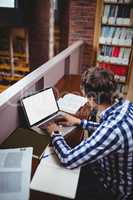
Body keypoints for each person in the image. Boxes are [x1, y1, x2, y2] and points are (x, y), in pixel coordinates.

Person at [46, 67, 133, 200]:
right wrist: (80, 122)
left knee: (61, 189)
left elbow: (68, 159)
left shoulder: (111, 131)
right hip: (120, 173)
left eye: (85, 96)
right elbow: (107, 129)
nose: (86, 100)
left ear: (92, 98)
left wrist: (55, 133)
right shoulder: (126, 105)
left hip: (113, 189)